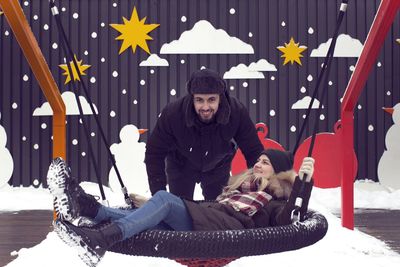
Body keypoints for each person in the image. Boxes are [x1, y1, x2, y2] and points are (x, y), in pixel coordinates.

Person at [48, 150, 315, 266]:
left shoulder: (274, 199)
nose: (257, 164)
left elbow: (289, 217)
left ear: (278, 172)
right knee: (142, 218)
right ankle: (87, 208)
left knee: (164, 199)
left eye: (265, 162)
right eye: (258, 160)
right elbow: (216, 206)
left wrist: (303, 184)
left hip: (219, 230)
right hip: (209, 221)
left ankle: (100, 239)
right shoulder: (239, 188)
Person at [145, 68, 264, 200]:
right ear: (192, 99)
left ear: (221, 98)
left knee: (217, 213)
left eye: (211, 99)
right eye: (199, 100)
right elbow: (154, 152)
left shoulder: (236, 112)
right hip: (181, 165)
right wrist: (158, 194)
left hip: (218, 167)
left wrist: (262, 189)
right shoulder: (173, 114)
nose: (206, 107)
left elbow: (254, 151)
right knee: (179, 211)